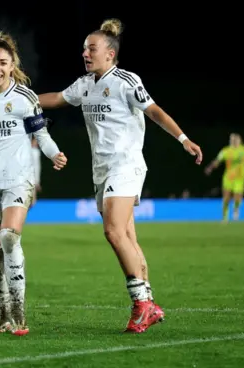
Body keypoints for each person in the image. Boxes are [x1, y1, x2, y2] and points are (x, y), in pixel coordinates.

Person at [37, 18, 203, 334]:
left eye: (92, 48)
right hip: (102, 170)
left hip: (125, 165)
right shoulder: (85, 84)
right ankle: (150, 302)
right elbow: (58, 98)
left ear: (110, 54)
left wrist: (183, 139)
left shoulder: (126, 81)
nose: (85, 53)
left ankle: (141, 305)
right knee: (127, 236)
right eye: (84, 48)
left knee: (112, 231)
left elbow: (154, 111)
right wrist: (19, 98)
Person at [0, 32, 67, 336]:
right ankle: (2, 316)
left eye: (2, 63)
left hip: (17, 179)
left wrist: (54, 153)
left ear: (12, 66)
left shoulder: (25, 98)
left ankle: (20, 315)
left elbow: (42, 135)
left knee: (10, 237)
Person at [204, 133, 244, 222]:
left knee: (237, 198)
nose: (234, 141)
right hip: (228, 178)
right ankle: (225, 218)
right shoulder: (225, 151)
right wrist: (210, 168)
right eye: (232, 139)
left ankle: (236, 209)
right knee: (226, 198)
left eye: (235, 139)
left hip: (240, 178)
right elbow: (217, 161)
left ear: (240, 140)